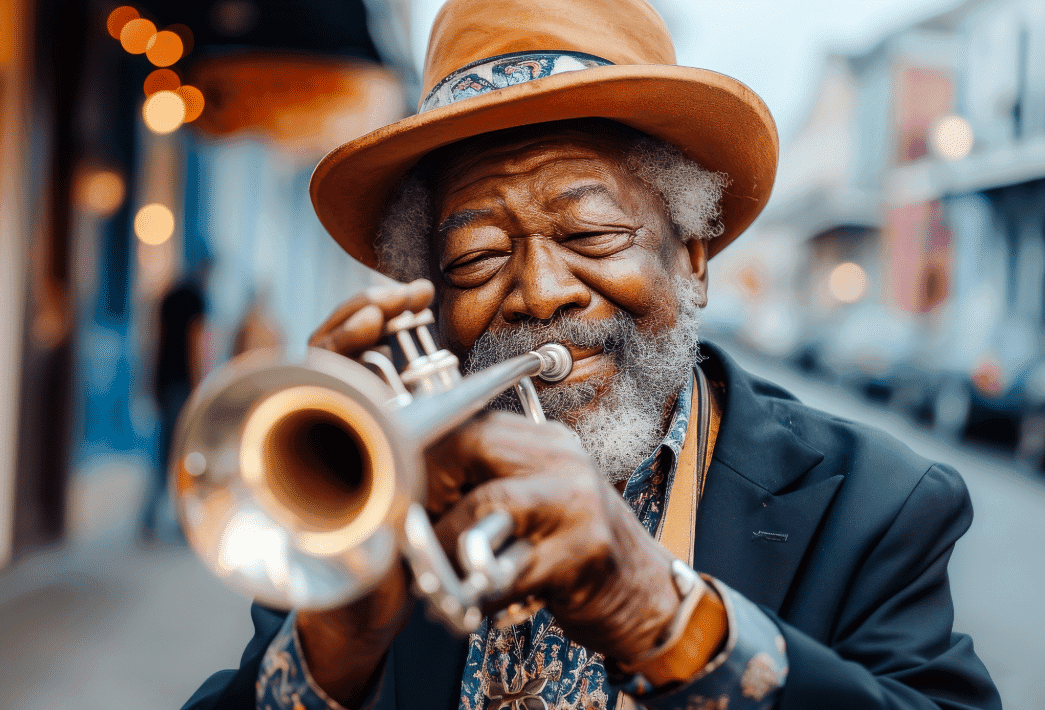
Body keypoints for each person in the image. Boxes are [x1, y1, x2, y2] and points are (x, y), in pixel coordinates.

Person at [183, 0, 1000, 708]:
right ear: (429, 296)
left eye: (592, 234)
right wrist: (335, 641)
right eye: (474, 259)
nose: (540, 293)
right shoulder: (374, 503)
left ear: (691, 258)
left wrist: (657, 613)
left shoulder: (876, 503)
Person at [140, 261, 209, 544]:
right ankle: (183, 524)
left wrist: (150, 381)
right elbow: (196, 343)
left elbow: (153, 340)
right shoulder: (198, 299)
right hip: (183, 386)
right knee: (183, 454)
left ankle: (149, 521)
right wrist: (199, 384)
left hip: (164, 383)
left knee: (161, 455)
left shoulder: (167, 297)